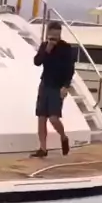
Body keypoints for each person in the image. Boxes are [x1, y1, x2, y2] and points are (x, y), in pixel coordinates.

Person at [32, 21, 76, 157]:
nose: (54, 39)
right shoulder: (44, 46)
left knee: (53, 118)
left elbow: (70, 69)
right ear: (48, 34)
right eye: (52, 37)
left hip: (58, 86)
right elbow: (37, 62)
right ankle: (43, 148)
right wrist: (47, 50)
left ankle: (63, 137)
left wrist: (66, 86)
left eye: (57, 37)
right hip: (45, 84)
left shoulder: (66, 48)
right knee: (41, 117)